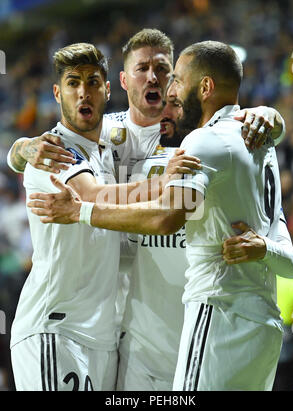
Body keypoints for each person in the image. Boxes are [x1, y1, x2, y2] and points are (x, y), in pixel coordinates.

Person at [7, 29, 288, 391]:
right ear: (121, 83)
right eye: (142, 68)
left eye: (163, 69)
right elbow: (53, 157)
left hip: (189, 326)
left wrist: (269, 117)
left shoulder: (192, 133)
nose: (153, 77)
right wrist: (23, 147)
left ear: (177, 82)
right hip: (131, 337)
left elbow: (249, 131)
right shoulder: (106, 134)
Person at [9, 41, 198, 391]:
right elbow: (93, 196)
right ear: (57, 92)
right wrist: (166, 182)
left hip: (102, 338)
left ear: (108, 89)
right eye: (73, 83)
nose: (84, 93)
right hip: (56, 330)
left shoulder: (105, 150)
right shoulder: (54, 149)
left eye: (93, 82)